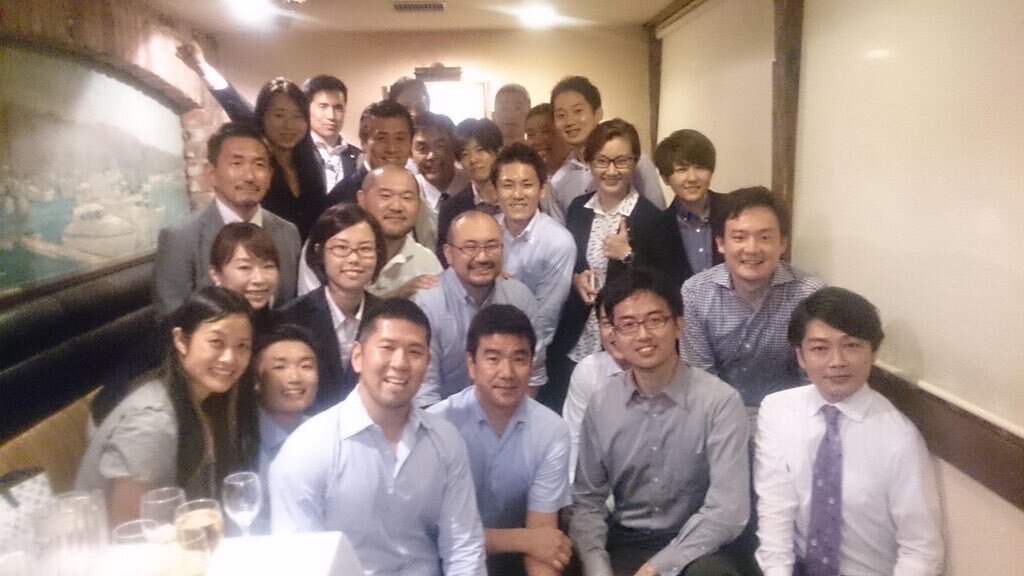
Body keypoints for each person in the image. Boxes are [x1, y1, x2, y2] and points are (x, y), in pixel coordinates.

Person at [269, 299, 487, 575]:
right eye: (387, 348)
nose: (400, 363)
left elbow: (463, 547)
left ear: (427, 364)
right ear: (357, 356)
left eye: (415, 352)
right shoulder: (307, 449)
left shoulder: (445, 440)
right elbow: (299, 563)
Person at [570, 268, 750, 576]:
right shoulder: (602, 404)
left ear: (679, 324)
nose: (643, 335)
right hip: (626, 541)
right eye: (628, 324)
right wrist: (598, 569)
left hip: (698, 545)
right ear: (614, 334)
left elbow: (728, 510)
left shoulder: (720, 402)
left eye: (655, 320)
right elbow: (587, 502)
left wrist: (658, 567)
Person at [756, 287, 944, 576]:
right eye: (820, 348)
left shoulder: (898, 438)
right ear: (801, 357)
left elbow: (921, 550)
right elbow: (775, 510)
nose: (837, 361)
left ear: (873, 353)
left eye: (851, 345)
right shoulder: (778, 410)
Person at [77, 287, 255, 526]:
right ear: (181, 340)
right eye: (216, 342)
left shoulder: (203, 400)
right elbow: (129, 530)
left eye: (242, 346)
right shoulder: (153, 422)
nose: (230, 358)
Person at [428, 305, 572, 576]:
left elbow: (543, 542)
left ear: (532, 365)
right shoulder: (438, 425)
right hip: (445, 558)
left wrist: (527, 542)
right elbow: (435, 534)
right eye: (493, 359)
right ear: (471, 364)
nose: (507, 372)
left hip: (513, 560)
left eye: (519, 358)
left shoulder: (551, 431)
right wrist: (521, 539)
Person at [545, 118, 661, 412]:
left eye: (621, 161)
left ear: (634, 162)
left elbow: (663, 285)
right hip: (576, 339)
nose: (611, 171)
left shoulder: (650, 217)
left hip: (624, 347)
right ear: (590, 162)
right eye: (602, 161)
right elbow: (570, 261)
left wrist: (628, 256)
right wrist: (576, 279)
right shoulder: (578, 209)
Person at [681, 186, 825, 409]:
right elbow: (701, 378)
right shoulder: (696, 293)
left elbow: (812, 377)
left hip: (789, 413)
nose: (751, 249)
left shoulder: (809, 294)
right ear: (721, 243)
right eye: (739, 237)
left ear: (783, 243)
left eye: (764, 237)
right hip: (718, 413)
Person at [175, 42, 325, 239]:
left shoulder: (312, 161)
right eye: (279, 115)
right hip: (260, 251)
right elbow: (232, 100)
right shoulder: (257, 162)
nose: (289, 125)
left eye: (298, 116)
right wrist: (201, 67)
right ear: (262, 117)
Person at [153, 122, 301, 319]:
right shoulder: (180, 238)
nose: (249, 176)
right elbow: (171, 321)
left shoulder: (288, 233)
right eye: (237, 163)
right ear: (211, 173)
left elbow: (293, 309)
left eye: (259, 165)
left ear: (270, 175)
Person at [413, 211, 540, 406]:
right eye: (470, 247)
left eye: (492, 246)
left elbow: (533, 377)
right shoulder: (427, 304)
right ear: (448, 253)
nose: (482, 257)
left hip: (508, 416)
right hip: (442, 418)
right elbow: (425, 393)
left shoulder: (520, 297)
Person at [278, 204, 385, 414]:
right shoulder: (290, 318)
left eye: (365, 249)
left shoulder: (387, 318)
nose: (354, 259)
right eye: (341, 248)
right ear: (319, 252)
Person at [492, 143, 575, 387]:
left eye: (527, 185)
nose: (517, 194)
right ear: (495, 191)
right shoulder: (486, 231)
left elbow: (544, 322)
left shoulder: (558, 242)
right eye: (508, 185)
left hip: (528, 359)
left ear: (542, 190)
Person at [548, 76, 664, 224]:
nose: (569, 121)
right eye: (561, 115)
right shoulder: (559, 180)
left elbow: (659, 217)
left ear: (598, 113)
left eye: (578, 111)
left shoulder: (635, 162)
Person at [635, 129, 727, 291]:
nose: (692, 178)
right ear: (665, 178)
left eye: (700, 167)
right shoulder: (653, 229)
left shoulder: (734, 212)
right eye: (681, 170)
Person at [561, 290, 628, 480]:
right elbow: (574, 437)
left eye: (626, 323)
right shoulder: (589, 370)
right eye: (607, 323)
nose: (615, 332)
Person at [358, 166, 442, 298]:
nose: (396, 207)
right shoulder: (343, 253)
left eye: (407, 198)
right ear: (362, 200)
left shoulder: (427, 262)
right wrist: (397, 295)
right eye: (385, 196)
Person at [436, 118, 503, 265]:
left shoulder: (516, 198)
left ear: (498, 151)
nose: (473, 159)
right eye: (465, 154)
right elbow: (445, 261)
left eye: (480, 150)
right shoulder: (451, 209)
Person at [326, 99, 416, 207]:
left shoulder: (413, 188)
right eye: (382, 138)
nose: (392, 148)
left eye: (400, 138)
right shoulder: (343, 198)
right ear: (363, 142)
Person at [208, 222, 282, 334]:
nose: (259, 279)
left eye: (268, 266)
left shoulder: (284, 326)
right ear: (215, 274)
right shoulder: (202, 326)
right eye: (245, 267)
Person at [412, 111, 468, 250]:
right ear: (411, 153)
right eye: (422, 148)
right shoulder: (409, 192)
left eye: (440, 146)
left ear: (454, 148)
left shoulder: (471, 186)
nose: (431, 156)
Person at [303, 74, 362, 198]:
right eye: (323, 107)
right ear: (307, 109)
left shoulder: (358, 157)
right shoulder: (297, 152)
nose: (332, 116)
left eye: (338, 108)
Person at [525, 103, 571, 183]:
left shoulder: (586, 170)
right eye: (531, 134)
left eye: (546, 131)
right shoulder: (526, 176)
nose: (537, 141)